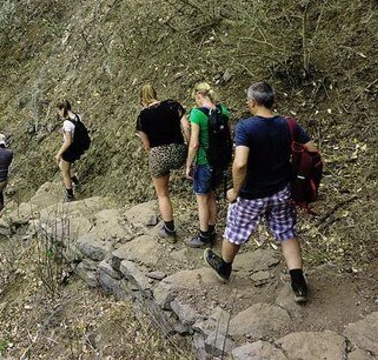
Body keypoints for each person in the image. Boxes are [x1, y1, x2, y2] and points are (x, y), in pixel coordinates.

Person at [204, 81, 318, 303]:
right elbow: (312, 150)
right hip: (281, 191)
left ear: (253, 102)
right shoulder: (288, 124)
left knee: (235, 232)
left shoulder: (246, 127)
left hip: (252, 194)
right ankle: (299, 284)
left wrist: (235, 192)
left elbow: (240, 165)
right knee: (287, 233)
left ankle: (225, 268)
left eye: (248, 101)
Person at [135, 84, 189, 243]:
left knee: (163, 194)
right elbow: (186, 126)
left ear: (142, 99)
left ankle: (170, 231)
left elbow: (146, 145)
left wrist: (155, 153)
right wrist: (190, 147)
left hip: (159, 154)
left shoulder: (142, 116)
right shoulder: (173, 105)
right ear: (155, 94)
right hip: (180, 151)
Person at [184, 82, 230, 248]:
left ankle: (203, 236)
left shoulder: (196, 114)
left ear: (199, 96)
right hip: (219, 163)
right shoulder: (223, 110)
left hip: (204, 162)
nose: (195, 102)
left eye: (195, 98)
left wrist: (188, 164)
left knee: (201, 199)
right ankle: (212, 231)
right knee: (212, 195)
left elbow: (194, 143)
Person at [55, 99, 89, 202]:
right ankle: (77, 183)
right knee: (64, 166)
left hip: (69, 149)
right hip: (77, 147)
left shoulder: (67, 123)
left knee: (64, 172)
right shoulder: (77, 116)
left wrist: (58, 153)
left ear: (63, 109)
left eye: (58, 111)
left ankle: (70, 195)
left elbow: (68, 141)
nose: (58, 114)